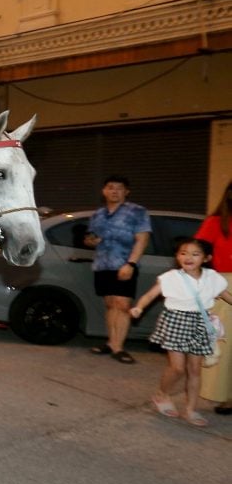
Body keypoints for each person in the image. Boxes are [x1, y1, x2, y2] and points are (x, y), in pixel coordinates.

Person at [130, 238, 232, 427]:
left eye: (195, 254)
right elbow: (150, 295)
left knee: (194, 370)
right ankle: (162, 394)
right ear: (177, 257)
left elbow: (226, 296)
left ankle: (191, 410)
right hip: (176, 321)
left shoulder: (212, 278)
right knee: (177, 368)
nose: (188, 257)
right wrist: (139, 307)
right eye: (183, 253)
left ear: (206, 258)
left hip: (200, 322)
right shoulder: (171, 277)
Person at [83, 176, 150, 364]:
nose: (114, 191)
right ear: (104, 191)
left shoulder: (137, 212)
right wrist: (90, 241)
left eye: (119, 188)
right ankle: (111, 343)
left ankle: (119, 347)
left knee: (122, 304)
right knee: (111, 304)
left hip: (124, 264)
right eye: (110, 187)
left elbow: (142, 239)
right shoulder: (98, 214)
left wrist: (131, 264)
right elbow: (90, 238)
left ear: (126, 192)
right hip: (102, 265)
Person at [196, 179, 232, 414]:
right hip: (224, 285)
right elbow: (197, 253)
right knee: (225, 344)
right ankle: (227, 396)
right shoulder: (215, 222)